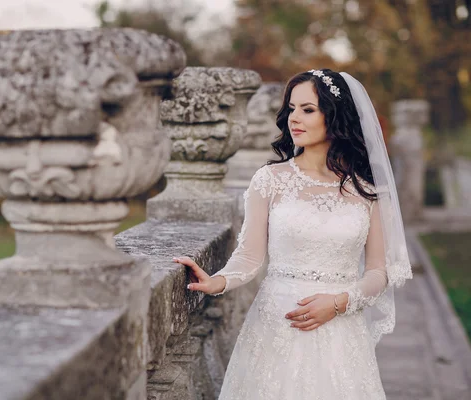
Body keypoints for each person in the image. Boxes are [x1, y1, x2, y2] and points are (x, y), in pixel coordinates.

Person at [173, 69, 413, 399]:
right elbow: (250, 255)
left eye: (308, 109)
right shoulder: (269, 179)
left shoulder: (367, 191)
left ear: (335, 116)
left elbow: (377, 272)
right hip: (276, 325)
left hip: (340, 330)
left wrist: (341, 302)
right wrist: (219, 281)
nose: (293, 118)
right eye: (291, 108)